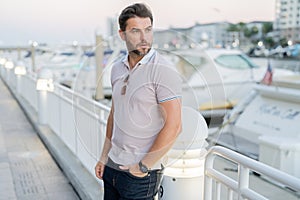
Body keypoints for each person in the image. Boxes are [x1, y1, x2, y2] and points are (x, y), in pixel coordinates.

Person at [95, 3, 182, 200]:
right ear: (122, 34)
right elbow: (114, 114)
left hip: (140, 175)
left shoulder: (163, 70)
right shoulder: (117, 68)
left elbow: (174, 126)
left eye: (148, 30)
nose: (144, 38)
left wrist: (142, 166)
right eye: (135, 31)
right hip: (112, 165)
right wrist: (103, 157)